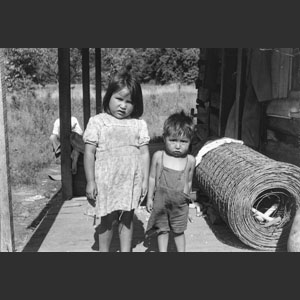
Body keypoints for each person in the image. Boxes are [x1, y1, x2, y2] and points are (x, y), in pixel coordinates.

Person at [83, 69, 150, 252]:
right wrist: (90, 181)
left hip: (130, 180)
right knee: (107, 218)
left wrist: (145, 180)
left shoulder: (138, 125)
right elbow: (89, 152)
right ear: (108, 97)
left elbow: (144, 153)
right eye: (119, 99)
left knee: (127, 217)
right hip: (106, 181)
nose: (123, 106)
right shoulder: (98, 122)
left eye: (129, 102)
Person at [146, 110, 196, 252]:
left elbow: (189, 182)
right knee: (162, 229)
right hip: (161, 201)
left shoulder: (190, 160)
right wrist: (150, 198)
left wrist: (188, 201)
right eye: (173, 140)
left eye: (183, 142)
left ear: (190, 141)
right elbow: (152, 178)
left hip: (180, 203)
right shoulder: (158, 156)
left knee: (179, 230)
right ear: (164, 138)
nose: (178, 146)